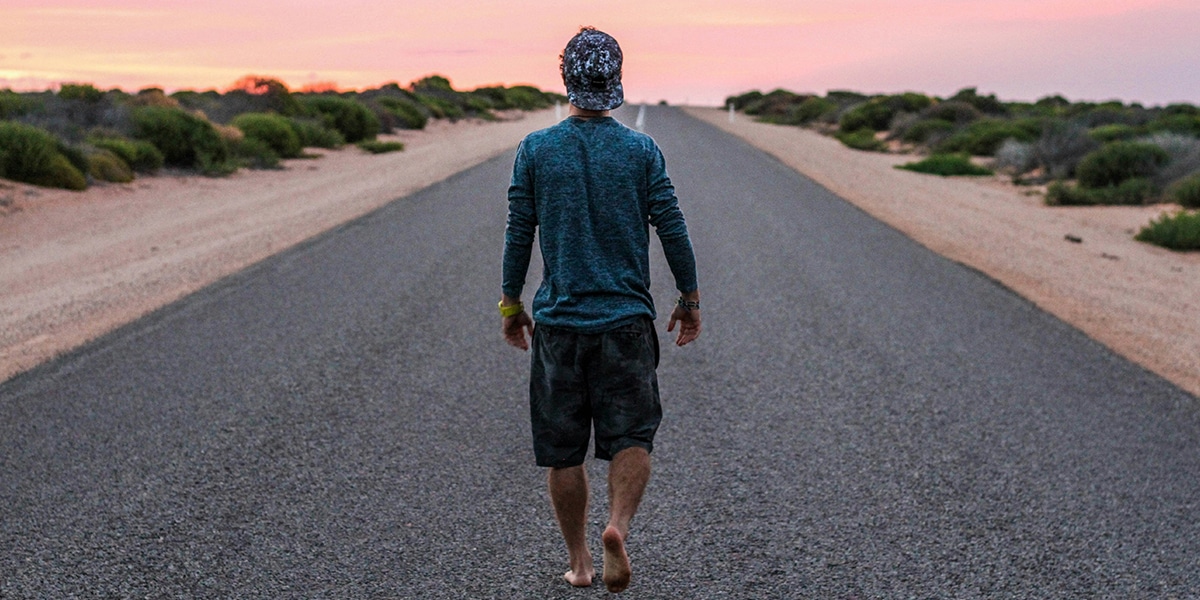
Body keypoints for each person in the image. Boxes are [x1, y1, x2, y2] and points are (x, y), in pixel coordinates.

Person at [499, 26, 701, 594]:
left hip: (560, 324)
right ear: (615, 79)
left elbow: (520, 231)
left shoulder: (536, 149)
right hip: (626, 323)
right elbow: (672, 226)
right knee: (632, 436)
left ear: (566, 77)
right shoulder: (641, 150)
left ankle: (582, 562)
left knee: (563, 450)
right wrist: (688, 298)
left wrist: (511, 303)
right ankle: (618, 526)